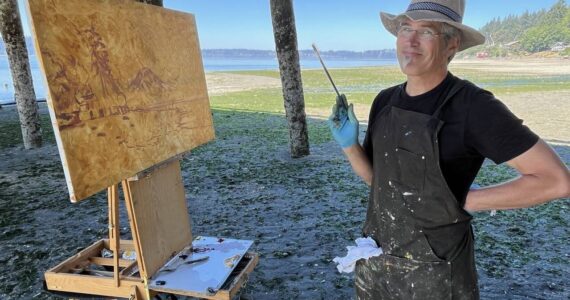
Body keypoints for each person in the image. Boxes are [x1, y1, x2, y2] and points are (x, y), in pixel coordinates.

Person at [328, 0, 570, 299]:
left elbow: (555, 180)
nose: (411, 41)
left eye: (426, 31)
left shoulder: (474, 106)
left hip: (437, 272)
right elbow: (378, 182)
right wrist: (349, 145)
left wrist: (465, 201)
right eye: (405, 28)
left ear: (452, 44)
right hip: (377, 260)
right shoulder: (385, 101)